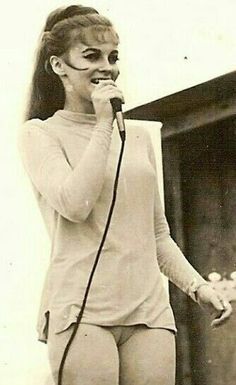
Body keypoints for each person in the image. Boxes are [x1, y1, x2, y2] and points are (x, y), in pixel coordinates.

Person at [19, 4, 232, 385]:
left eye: (112, 57)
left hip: (147, 308)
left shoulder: (136, 137)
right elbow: (74, 203)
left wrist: (197, 287)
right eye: (91, 56)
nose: (107, 67)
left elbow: (156, 234)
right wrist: (103, 125)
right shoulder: (40, 134)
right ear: (58, 66)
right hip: (82, 309)